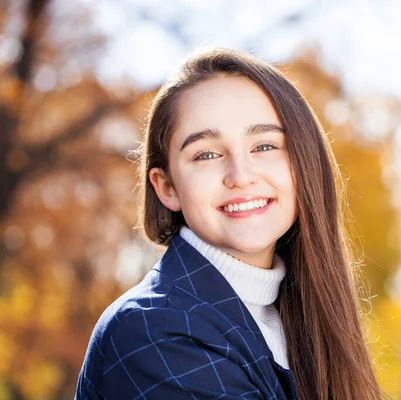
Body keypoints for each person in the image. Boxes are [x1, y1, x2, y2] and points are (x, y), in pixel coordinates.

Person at [75, 48, 383, 399]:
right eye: (207, 154)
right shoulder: (153, 330)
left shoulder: (300, 315)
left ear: (304, 162)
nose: (241, 175)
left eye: (265, 146)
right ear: (167, 187)